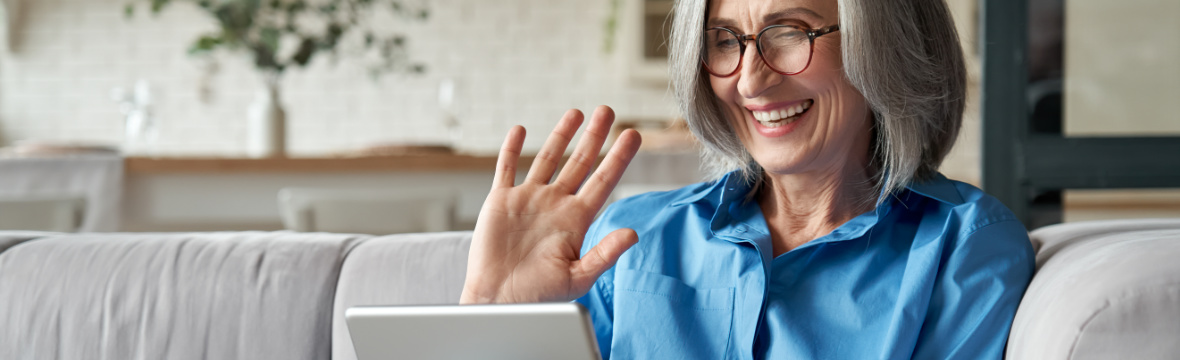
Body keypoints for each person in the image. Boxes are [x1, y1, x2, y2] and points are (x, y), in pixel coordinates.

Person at [460, 0, 1035, 358]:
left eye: (790, 32)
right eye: (725, 40)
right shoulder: (631, 238)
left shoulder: (964, 246)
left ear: (882, 43)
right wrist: (493, 314)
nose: (752, 81)